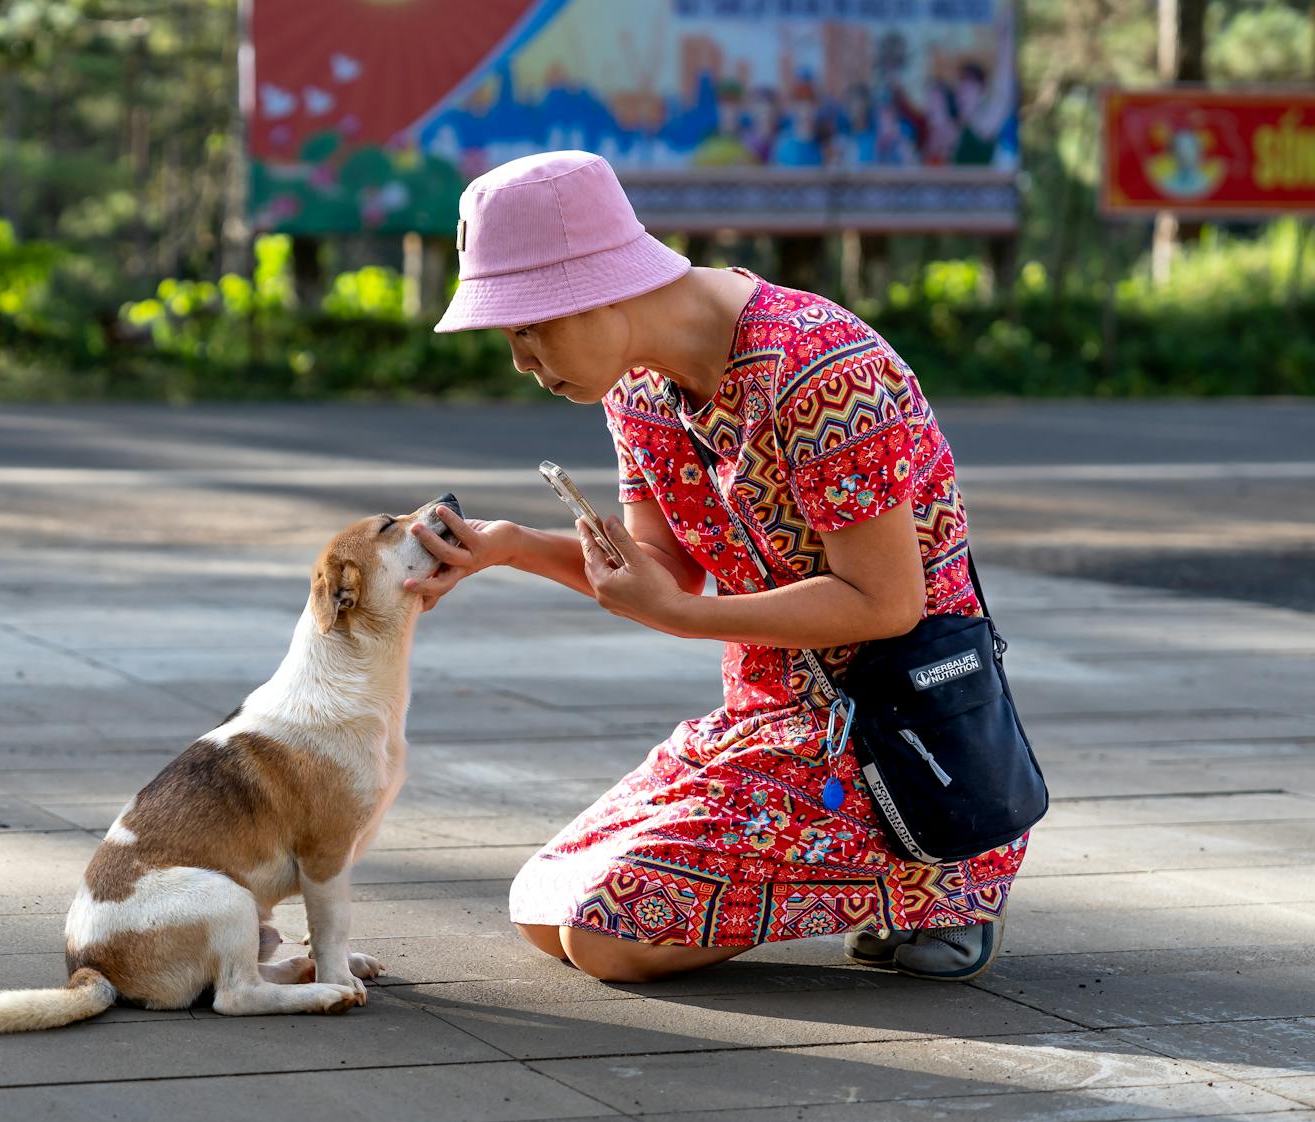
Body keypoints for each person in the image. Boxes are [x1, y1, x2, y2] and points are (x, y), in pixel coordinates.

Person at [412, 150, 1023, 983]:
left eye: (527, 326)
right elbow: (660, 568)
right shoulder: (637, 386)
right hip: (767, 718)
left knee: (605, 939)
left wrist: (681, 617)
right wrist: (508, 546)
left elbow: (885, 604)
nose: (521, 359)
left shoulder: (822, 368)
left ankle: (940, 877)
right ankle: (887, 882)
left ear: (600, 288)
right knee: (543, 906)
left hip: (899, 736)